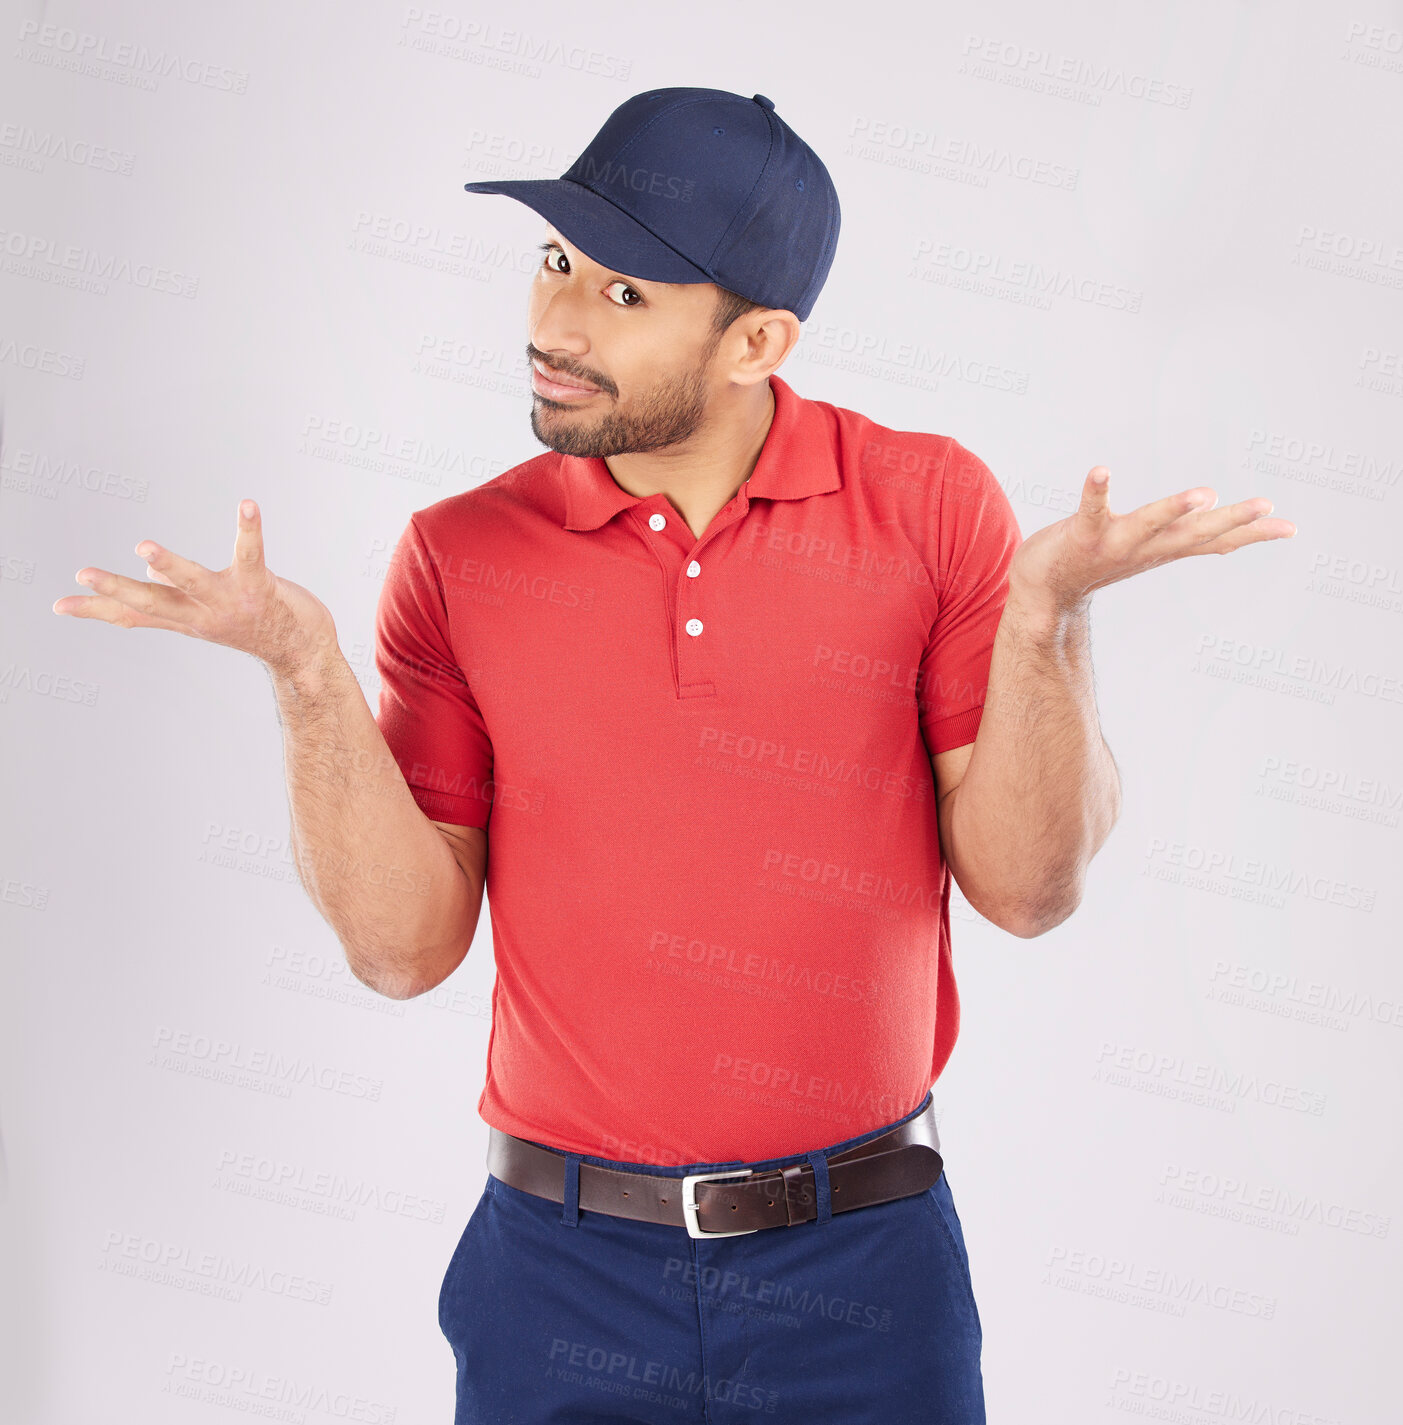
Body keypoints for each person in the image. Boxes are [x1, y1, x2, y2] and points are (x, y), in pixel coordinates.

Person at [53, 86, 1295, 1425]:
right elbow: (399, 950)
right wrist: (304, 672)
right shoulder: (459, 556)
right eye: (552, 262)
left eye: (624, 292)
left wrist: (1048, 621)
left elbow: (1029, 888)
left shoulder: (930, 506)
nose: (554, 323)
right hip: (558, 1272)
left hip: (861, 1264)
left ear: (757, 338)